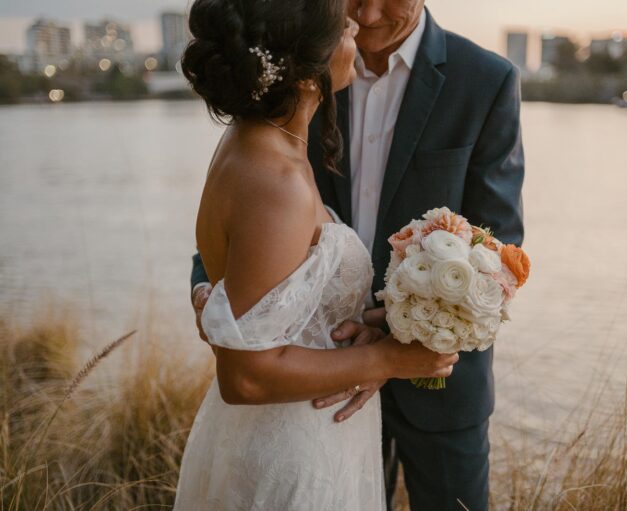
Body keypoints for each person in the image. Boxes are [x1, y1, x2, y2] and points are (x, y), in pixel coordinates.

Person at [192, 1, 525, 509]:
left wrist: (399, 341)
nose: (364, 17)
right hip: (301, 406)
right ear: (305, 69)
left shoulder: (485, 80)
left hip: (433, 386)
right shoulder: (284, 113)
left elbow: (497, 245)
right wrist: (210, 293)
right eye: (349, 11)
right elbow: (246, 218)